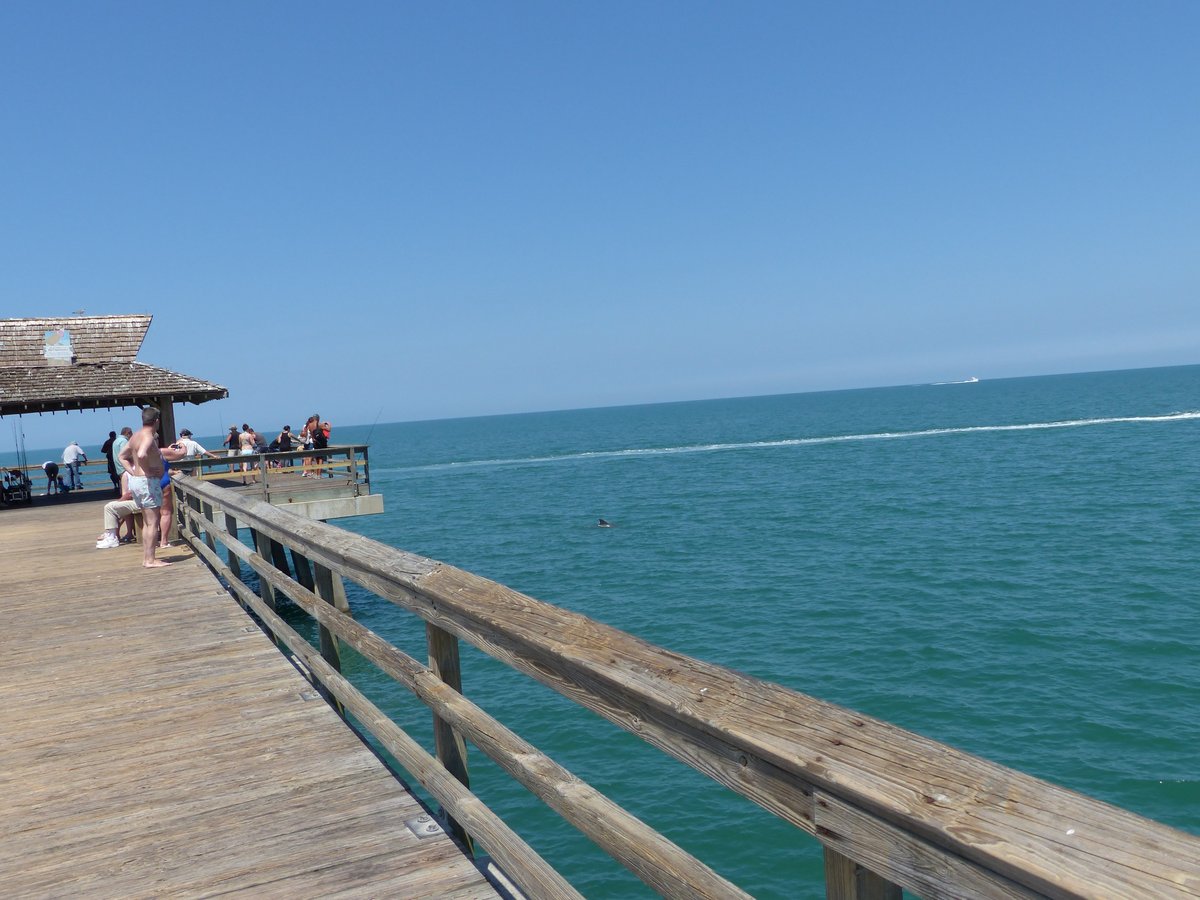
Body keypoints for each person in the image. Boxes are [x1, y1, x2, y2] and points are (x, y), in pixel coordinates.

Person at [96, 406, 183, 567]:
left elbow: (122, 456)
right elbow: (142, 454)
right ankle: (149, 560)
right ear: (156, 421)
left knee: (147, 521)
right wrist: (148, 470)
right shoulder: (148, 436)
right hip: (147, 482)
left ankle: (148, 558)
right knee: (152, 522)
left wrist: (134, 471)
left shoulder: (135, 435)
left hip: (137, 481)